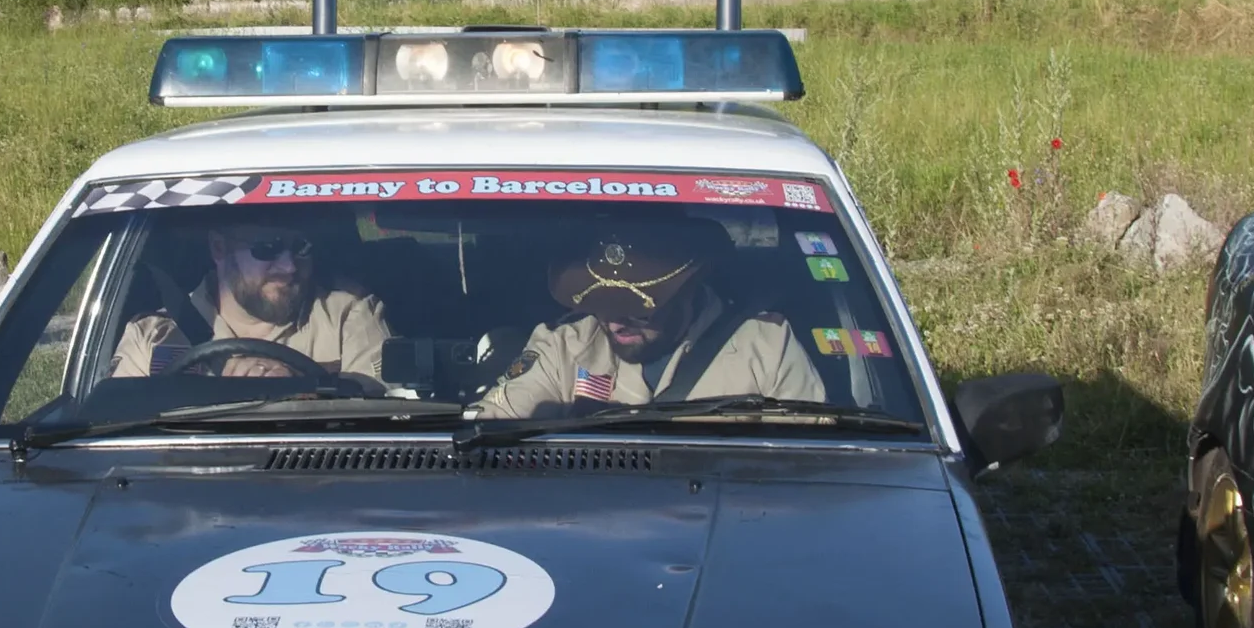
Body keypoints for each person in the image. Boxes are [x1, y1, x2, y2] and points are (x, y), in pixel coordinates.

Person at [473, 221, 824, 418]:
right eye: (603, 306)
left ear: (687, 291)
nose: (614, 323)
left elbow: (814, 466)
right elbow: (492, 428)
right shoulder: (566, 345)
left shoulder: (766, 348)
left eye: (637, 309)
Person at [111, 223, 391, 381]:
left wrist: (298, 389)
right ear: (219, 248)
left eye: (301, 247)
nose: (289, 266)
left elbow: (382, 424)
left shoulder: (347, 317)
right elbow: (114, 434)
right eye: (266, 247)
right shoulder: (153, 339)